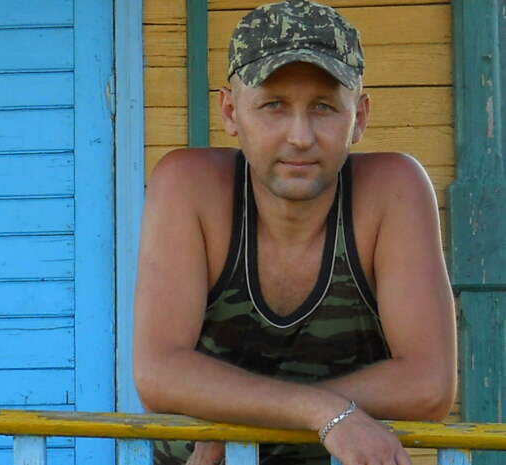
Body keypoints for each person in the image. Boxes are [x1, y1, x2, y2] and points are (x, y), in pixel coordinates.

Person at [134, 1, 457, 464]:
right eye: (274, 106)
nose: (301, 136)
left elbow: (428, 386)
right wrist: (321, 411)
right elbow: (158, 373)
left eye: (324, 107)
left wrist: (237, 415)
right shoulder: (188, 186)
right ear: (230, 111)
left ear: (361, 117)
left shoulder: (394, 190)